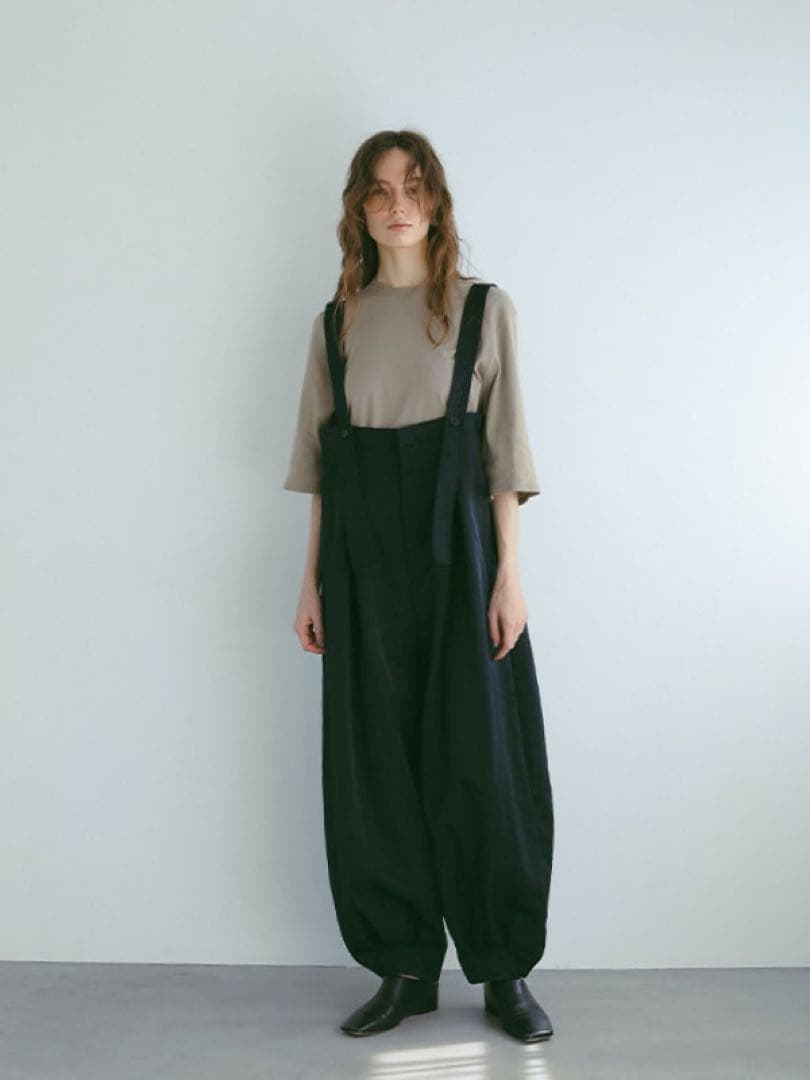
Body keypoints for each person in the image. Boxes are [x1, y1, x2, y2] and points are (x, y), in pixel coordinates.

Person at [283, 129, 555, 1044]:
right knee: (376, 764)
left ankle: (504, 968)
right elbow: (324, 467)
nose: (397, 204)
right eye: (379, 189)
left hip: (462, 551)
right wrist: (311, 582)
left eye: (414, 186)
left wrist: (509, 576)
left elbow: (504, 456)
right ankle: (404, 966)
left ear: (436, 203)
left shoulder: (482, 308)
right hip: (360, 558)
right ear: (358, 210)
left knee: (480, 756)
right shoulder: (336, 323)